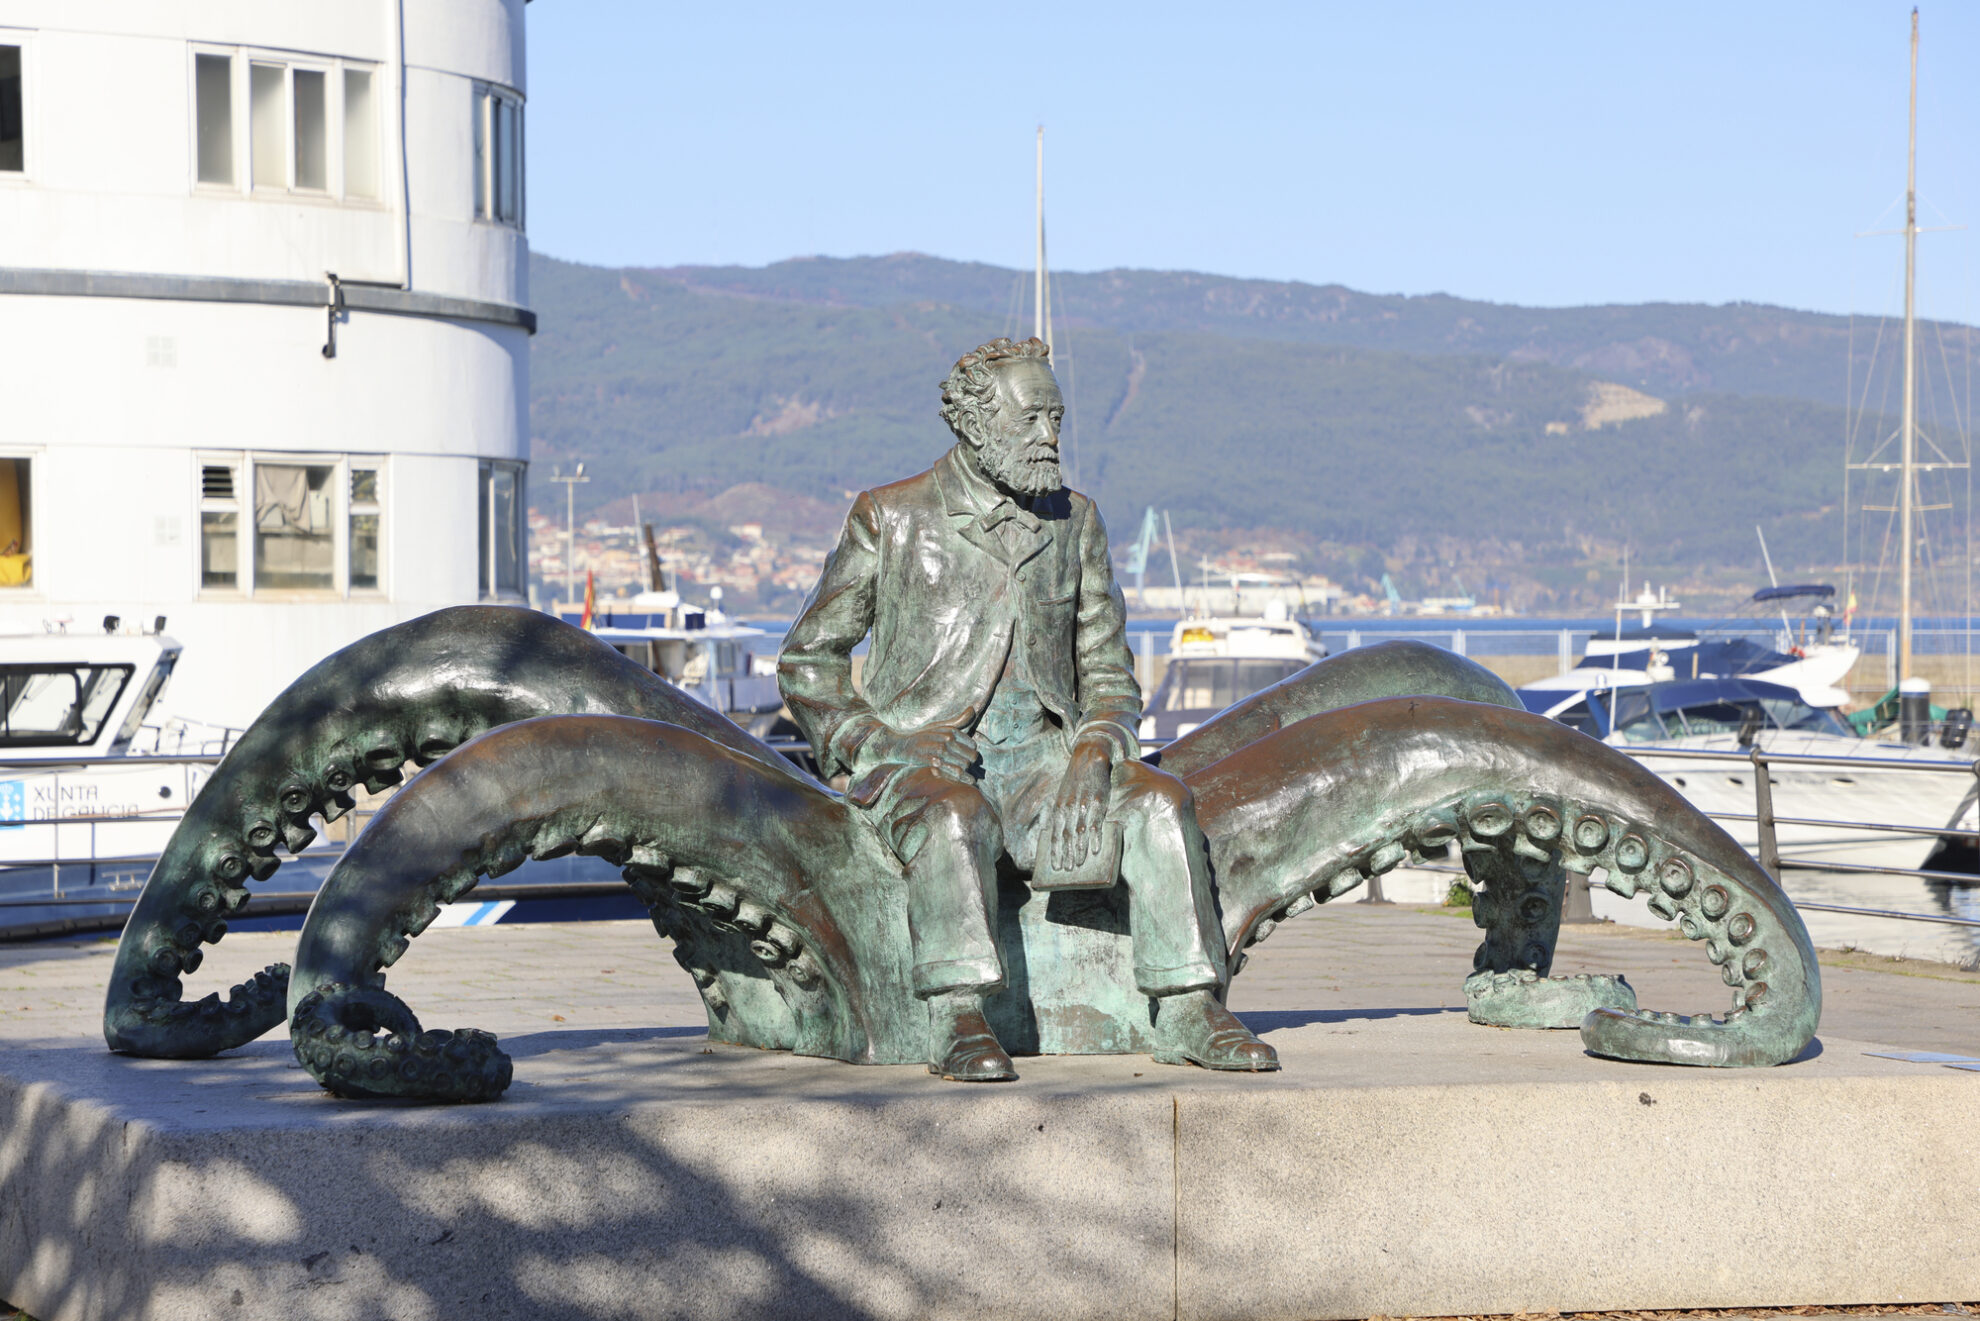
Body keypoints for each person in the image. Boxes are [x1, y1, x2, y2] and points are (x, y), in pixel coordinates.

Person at [779, 337, 1278, 1081]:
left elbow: (1109, 672)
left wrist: (1095, 748)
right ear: (976, 425)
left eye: (1057, 418)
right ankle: (957, 1014)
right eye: (1033, 420)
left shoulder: (1074, 523)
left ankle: (1187, 1005)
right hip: (924, 764)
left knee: (1160, 803)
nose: (1051, 437)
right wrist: (885, 745)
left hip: (1047, 766)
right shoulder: (892, 516)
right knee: (957, 817)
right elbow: (807, 661)